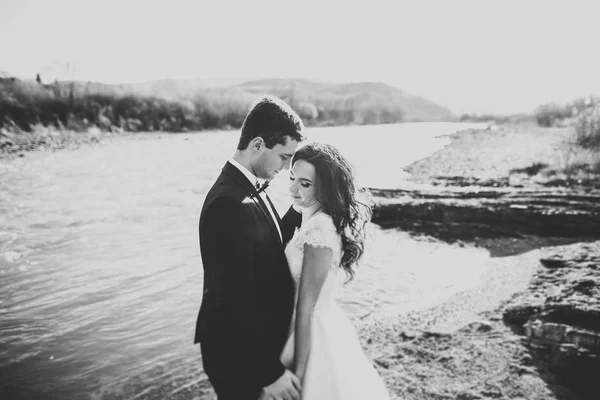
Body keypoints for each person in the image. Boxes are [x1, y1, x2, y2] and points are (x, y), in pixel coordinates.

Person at [195, 96, 306, 400]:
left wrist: (303, 209)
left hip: (250, 346)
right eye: (284, 157)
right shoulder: (226, 203)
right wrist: (269, 372)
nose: (286, 168)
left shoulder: (248, 184)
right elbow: (233, 299)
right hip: (236, 357)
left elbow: (266, 241)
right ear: (258, 145)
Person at [279, 142, 391, 400]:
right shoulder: (309, 218)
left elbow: (305, 306)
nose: (293, 188)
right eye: (292, 178)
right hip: (307, 324)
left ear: (324, 188)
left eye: (305, 184)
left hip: (312, 333)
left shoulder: (320, 228)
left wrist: (298, 372)